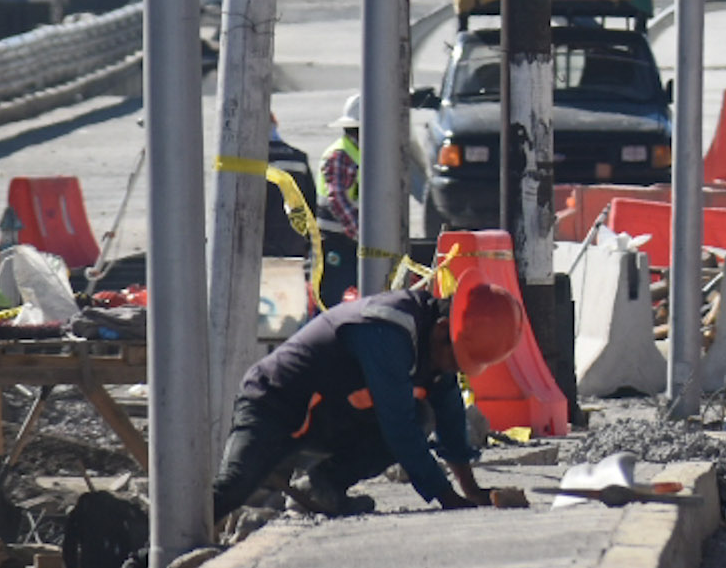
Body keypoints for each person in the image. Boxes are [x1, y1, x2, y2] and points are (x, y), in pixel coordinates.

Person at [211, 280, 522, 519]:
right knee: (233, 487)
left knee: (423, 415)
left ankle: (325, 485)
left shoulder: (435, 344)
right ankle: (173, 537)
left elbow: (449, 411)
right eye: (456, 360)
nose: (453, 370)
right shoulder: (389, 331)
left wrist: (471, 491)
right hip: (273, 404)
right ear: (443, 330)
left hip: (324, 415)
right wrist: (447, 497)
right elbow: (398, 426)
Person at [313, 96, 362, 313]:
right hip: (335, 241)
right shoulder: (341, 155)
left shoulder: (363, 153)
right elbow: (338, 198)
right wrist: (362, 234)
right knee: (329, 303)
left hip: (352, 242)